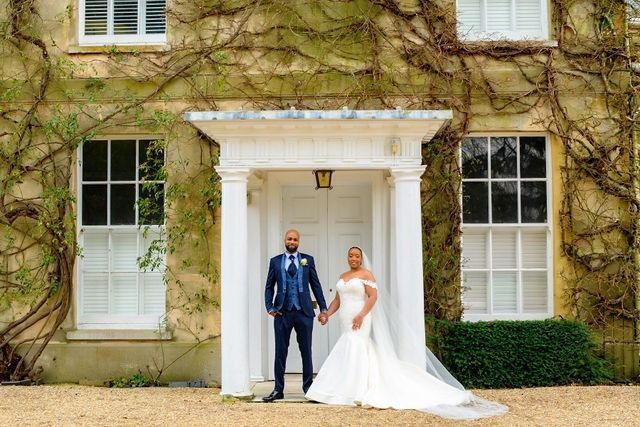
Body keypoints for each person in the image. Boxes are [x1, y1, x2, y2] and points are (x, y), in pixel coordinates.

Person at [305, 246, 508, 419]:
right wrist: (326, 314)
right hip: (345, 319)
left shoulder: (366, 275)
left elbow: (373, 297)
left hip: (361, 318)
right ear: (347, 258)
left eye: (357, 256)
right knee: (349, 347)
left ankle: (353, 391)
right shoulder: (343, 277)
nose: (354, 259)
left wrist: (361, 315)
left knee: (354, 346)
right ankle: (340, 388)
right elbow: (337, 301)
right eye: (351, 256)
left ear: (361, 258)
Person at [262, 229, 329, 402]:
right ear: (285, 240)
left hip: (304, 312)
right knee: (280, 352)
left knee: (306, 351)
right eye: (289, 239)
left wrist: (323, 308)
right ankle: (278, 389)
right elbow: (269, 286)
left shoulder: (308, 260)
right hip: (282, 313)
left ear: (299, 242)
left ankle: (308, 388)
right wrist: (270, 307)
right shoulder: (275, 262)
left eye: (295, 239)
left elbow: (316, 285)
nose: (292, 241)